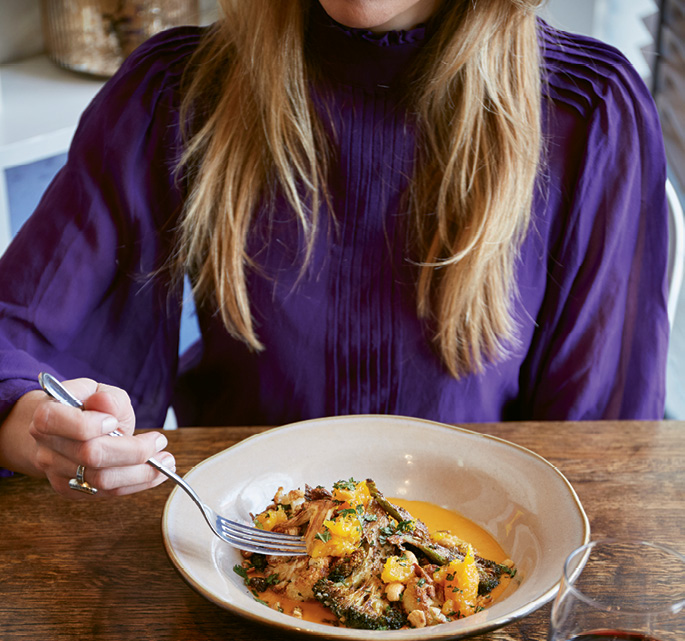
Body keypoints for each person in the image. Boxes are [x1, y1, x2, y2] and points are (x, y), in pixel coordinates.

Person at [0, 0, 670, 498]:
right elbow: (12, 343)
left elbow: (597, 465)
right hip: (236, 563)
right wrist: (44, 426)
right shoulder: (174, 91)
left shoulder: (589, 113)